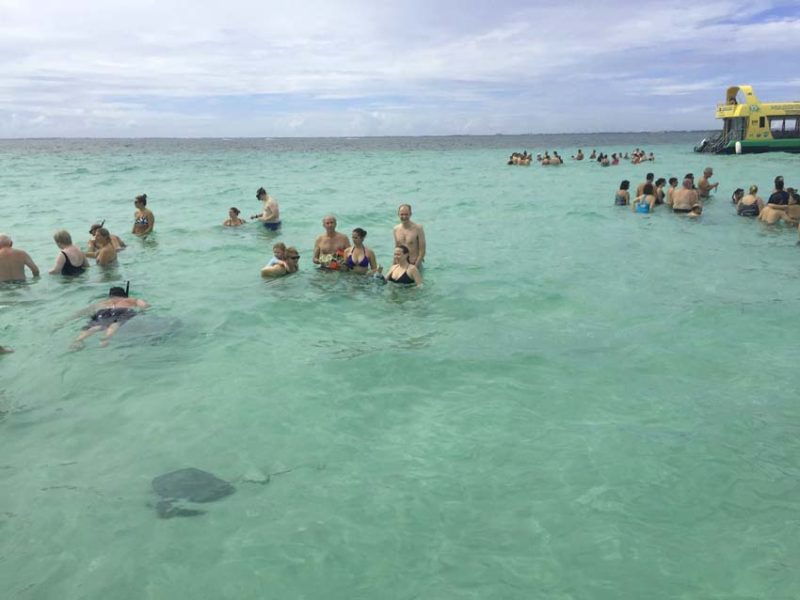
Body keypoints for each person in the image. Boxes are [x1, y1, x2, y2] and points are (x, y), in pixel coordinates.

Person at [72, 283, 149, 349]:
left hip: (102, 312)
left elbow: (83, 312)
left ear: (110, 296)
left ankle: (78, 340)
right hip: (121, 310)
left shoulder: (103, 302)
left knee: (95, 327)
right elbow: (144, 305)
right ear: (124, 295)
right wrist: (142, 312)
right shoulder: (130, 299)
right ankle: (106, 338)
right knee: (115, 324)